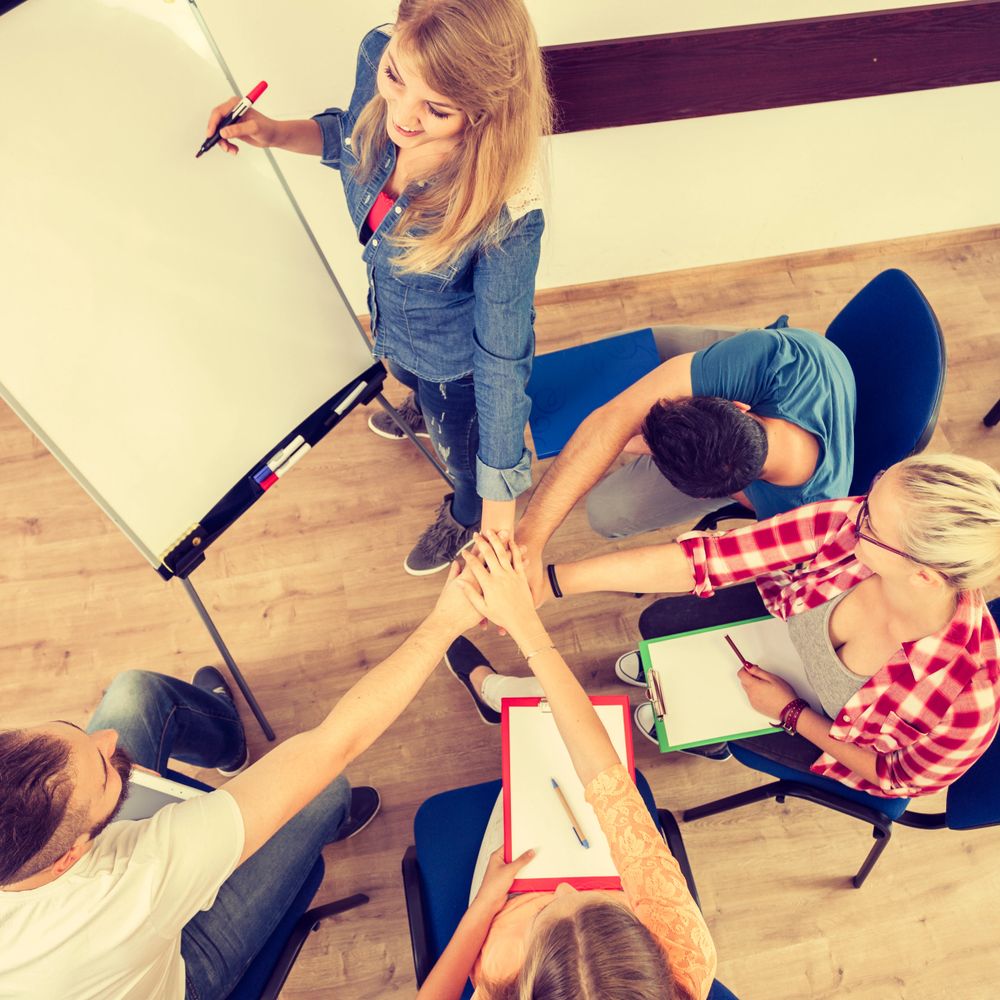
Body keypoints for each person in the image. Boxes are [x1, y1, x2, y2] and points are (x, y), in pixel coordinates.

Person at [0, 563, 483, 999]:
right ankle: (330, 816)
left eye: (72, 731)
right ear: (69, 858)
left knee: (134, 694)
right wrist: (445, 622)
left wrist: (103, 782)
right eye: (105, 773)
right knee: (323, 787)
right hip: (181, 972)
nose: (107, 738)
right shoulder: (130, 885)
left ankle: (228, 743)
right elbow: (336, 741)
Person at [206, 0, 552, 576]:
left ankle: (462, 513)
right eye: (395, 79)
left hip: (457, 365)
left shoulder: (506, 212)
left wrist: (497, 519)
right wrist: (273, 132)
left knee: (460, 453)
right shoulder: (382, 52)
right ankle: (421, 405)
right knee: (403, 372)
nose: (403, 117)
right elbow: (353, 137)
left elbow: (500, 360)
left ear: (486, 114)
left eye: (436, 110)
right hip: (393, 325)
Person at [514, 453, 999, 798]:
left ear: (923, 576)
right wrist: (552, 581)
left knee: (684, 704)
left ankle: (711, 737)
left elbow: (895, 778)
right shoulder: (849, 524)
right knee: (658, 625)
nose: (855, 515)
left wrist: (790, 713)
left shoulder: (969, 700)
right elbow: (711, 559)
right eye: (871, 494)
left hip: (819, 727)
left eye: (871, 522)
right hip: (772, 629)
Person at [418, 529, 717, 1000]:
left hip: (503, 897)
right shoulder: (687, 956)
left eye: (546, 917)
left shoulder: (497, 970)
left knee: (533, 726)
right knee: (545, 711)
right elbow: (607, 779)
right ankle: (495, 692)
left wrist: (485, 906)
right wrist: (525, 626)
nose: (562, 890)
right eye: (602, 906)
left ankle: (490, 690)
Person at [516, 320, 856, 600]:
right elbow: (616, 416)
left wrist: (637, 441)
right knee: (607, 365)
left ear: (705, 496)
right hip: (793, 359)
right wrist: (529, 540)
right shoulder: (771, 357)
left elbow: (703, 564)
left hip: (782, 446)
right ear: (738, 405)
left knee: (607, 511)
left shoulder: (801, 517)